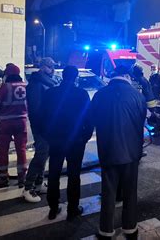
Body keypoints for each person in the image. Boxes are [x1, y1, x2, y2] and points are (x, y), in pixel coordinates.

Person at [88, 65, 146, 239]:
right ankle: (130, 228)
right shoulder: (137, 96)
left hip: (108, 150)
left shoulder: (100, 95)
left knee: (108, 191)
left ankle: (106, 230)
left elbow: (91, 119)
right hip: (131, 152)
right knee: (130, 191)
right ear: (127, 76)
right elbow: (142, 120)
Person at [41, 66, 91, 221]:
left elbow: (41, 116)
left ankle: (53, 208)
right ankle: (72, 209)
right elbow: (89, 119)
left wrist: (47, 136)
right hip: (76, 140)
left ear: (63, 76)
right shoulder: (81, 94)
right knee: (74, 175)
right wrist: (85, 137)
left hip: (56, 139)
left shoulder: (51, 93)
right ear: (76, 77)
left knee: (54, 173)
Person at [23, 57, 57, 203]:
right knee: (41, 155)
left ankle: (38, 183)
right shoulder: (37, 84)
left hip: (48, 125)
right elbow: (36, 109)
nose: (52, 69)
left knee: (44, 154)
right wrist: (43, 126)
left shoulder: (46, 82)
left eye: (53, 66)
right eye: (50, 66)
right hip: (42, 126)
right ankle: (28, 187)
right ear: (42, 67)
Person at [0, 64, 28, 188]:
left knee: (3, 150)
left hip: (6, 122)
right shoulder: (25, 86)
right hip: (21, 121)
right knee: (21, 149)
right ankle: (22, 177)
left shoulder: (5, 87)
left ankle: (3, 176)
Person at [148, 64, 160, 137]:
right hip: (153, 99)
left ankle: (157, 130)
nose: (153, 70)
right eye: (152, 68)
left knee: (158, 114)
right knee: (154, 114)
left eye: (154, 68)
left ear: (157, 69)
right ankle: (155, 128)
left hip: (158, 99)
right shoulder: (151, 77)